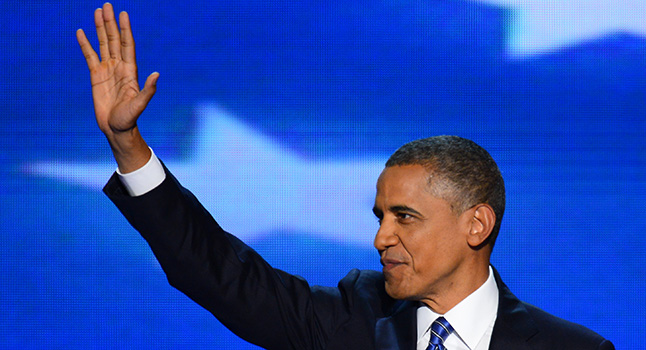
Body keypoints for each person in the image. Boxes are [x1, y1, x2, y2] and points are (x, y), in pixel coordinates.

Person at [78, 4, 614, 349]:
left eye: (405, 217)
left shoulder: (573, 349)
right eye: (381, 216)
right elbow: (216, 273)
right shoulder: (350, 323)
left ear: (476, 225)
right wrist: (128, 145)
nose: (382, 237)